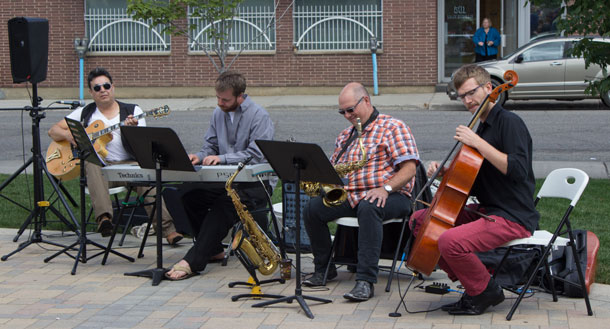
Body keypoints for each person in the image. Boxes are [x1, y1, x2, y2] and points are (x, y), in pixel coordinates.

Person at [410, 64, 540, 315]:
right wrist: (447, 172)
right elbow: (475, 179)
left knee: (449, 240)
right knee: (420, 221)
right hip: (488, 208)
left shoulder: (509, 123)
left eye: (472, 92)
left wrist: (477, 143)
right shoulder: (481, 126)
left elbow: (517, 170)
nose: (467, 100)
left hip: (513, 215)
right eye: (462, 96)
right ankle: (476, 284)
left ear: (489, 88)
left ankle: (484, 291)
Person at [302, 82, 419, 302]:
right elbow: (334, 169)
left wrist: (385, 188)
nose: (346, 115)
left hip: (393, 194)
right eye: (342, 111)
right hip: (353, 193)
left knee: (369, 206)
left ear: (365, 101)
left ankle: (365, 281)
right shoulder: (345, 135)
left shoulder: (393, 126)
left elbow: (410, 168)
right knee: (312, 209)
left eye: (350, 109)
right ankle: (324, 269)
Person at [48, 67, 183, 244]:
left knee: (148, 181)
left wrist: (131, 130)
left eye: (106, 86)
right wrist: (70, 136)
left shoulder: (132, 110)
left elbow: (143, 146)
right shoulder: (85, 112)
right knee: (91, 162)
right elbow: (53, 130)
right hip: (102, 171)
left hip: (129, 166)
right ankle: (104, 219)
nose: (102, 90)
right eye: (97, 88)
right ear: (91, 92)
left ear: (113, 87)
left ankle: (168, 231)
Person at [165, 71, 274, 281]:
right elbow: (210, 145)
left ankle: (194, 260)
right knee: (187, 194)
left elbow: (257, 154)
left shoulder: (260, 116)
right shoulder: (218, 113)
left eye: (225, 99)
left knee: (225, 204)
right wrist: (199, 156)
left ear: (240, 96)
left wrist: (222, 158)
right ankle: (214, 249)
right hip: (225, 180)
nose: (220, 103)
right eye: (218, 98)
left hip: (255, 183)